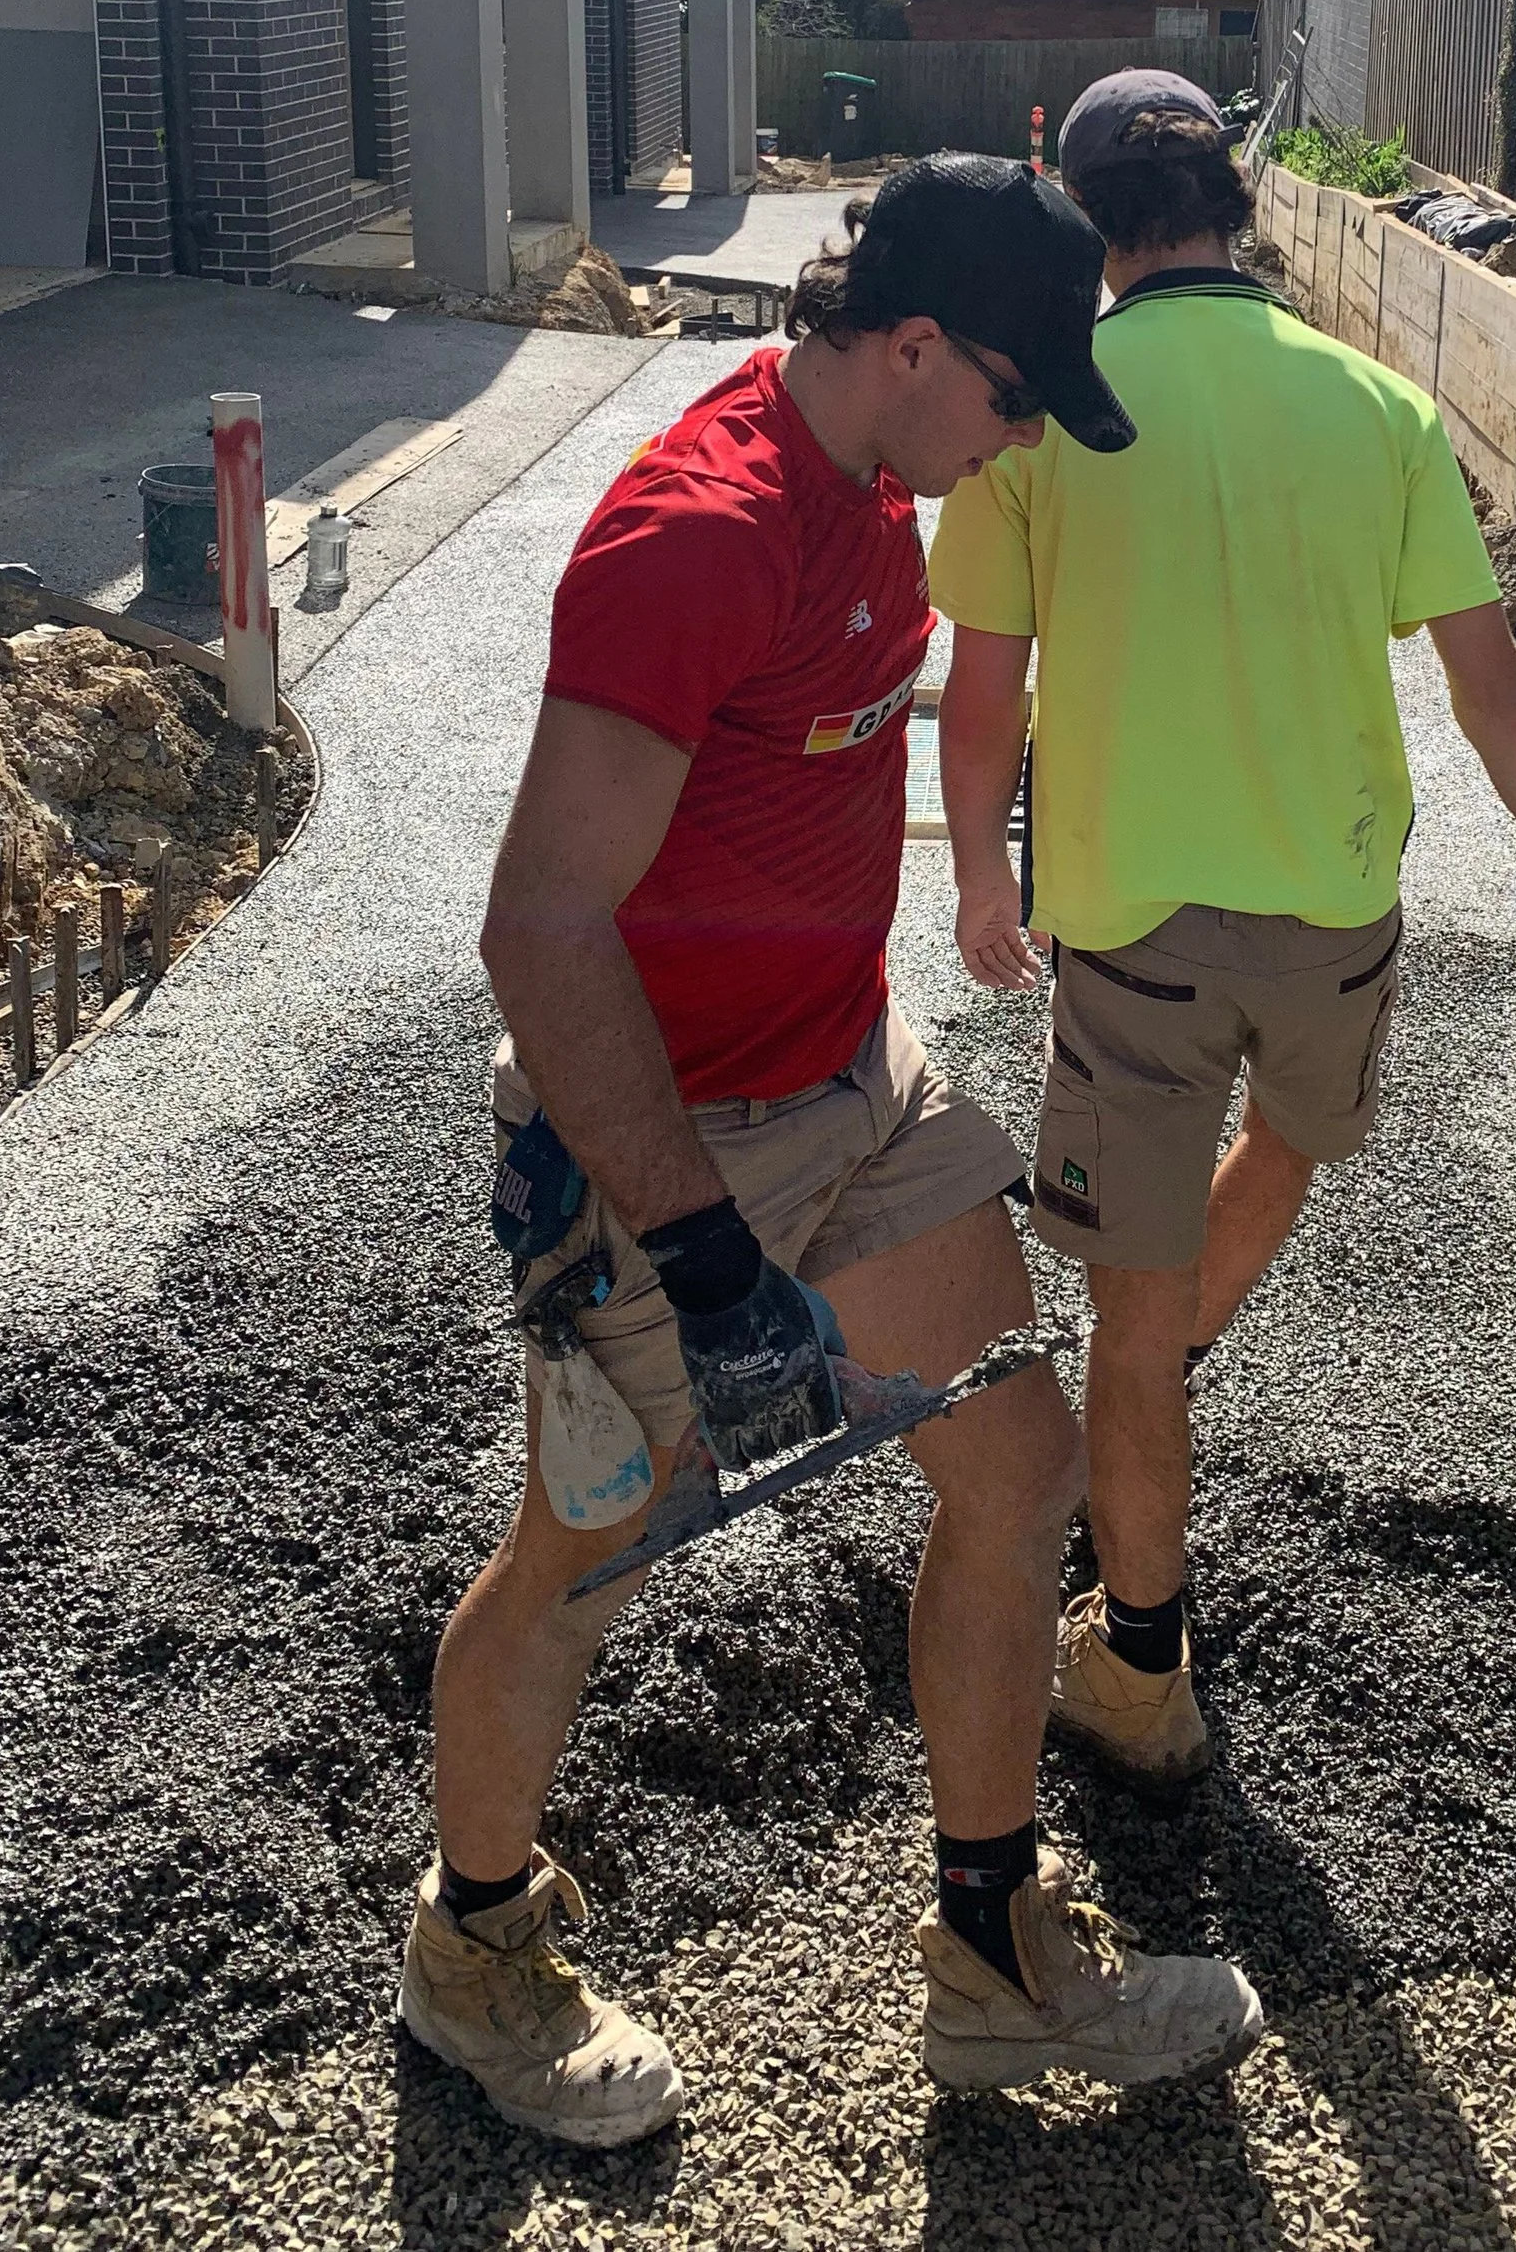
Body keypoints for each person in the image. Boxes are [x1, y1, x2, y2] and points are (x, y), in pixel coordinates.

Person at [400, 156, 1264, 2145]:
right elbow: (538, 924)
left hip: (849, 1083)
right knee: (579, 1565)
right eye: (1016, 391)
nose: (1028, 431)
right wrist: (707, 1262)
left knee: (1016, 1457)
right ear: (904, 348)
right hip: (653, 1148)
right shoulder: (694, 539)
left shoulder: (887, 482)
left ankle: (982, 1949)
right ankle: (470, 1947)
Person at [932, 74, 1516, 1794]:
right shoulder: (1375, 407)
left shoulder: (1046, 422)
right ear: (1236, 200)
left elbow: (984, 691)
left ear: (1090, 221)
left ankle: (1143, 1667)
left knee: (1129, 1310)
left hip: (1139, 937)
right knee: (1293, 1144)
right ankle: (1158, 1381)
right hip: (1338, 923)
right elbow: (1489, 679)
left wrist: (975, 879)